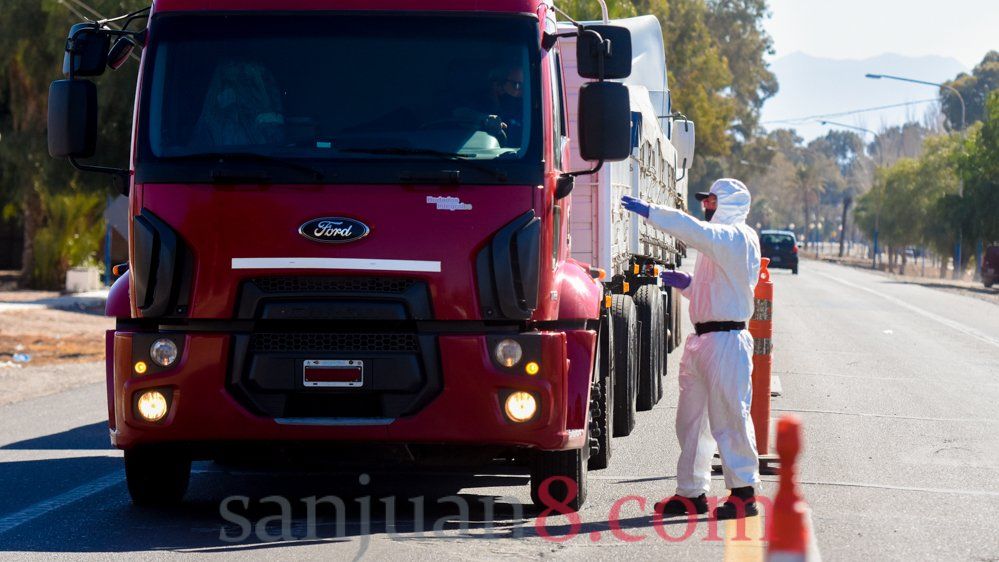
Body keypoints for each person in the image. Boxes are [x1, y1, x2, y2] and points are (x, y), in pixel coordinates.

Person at [621, 178, 762, 520]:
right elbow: (719, 291)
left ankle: (744, 493)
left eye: (711, 200)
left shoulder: (736, 237)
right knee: (691, 423)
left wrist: (652, 212)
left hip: (726, 342)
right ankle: (691, 493)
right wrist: (691, 286)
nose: (706, 205)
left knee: (730, 417)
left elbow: (693, 230)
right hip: (704, 340)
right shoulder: (721, 244)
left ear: (728, 204)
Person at [453, 65, 524, 146]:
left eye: (522, 85)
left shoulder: (518, 106)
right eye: (516, 84)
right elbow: (458, 112)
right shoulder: (478, 102)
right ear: (496, 85)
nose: (520, 90)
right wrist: (484, 118)